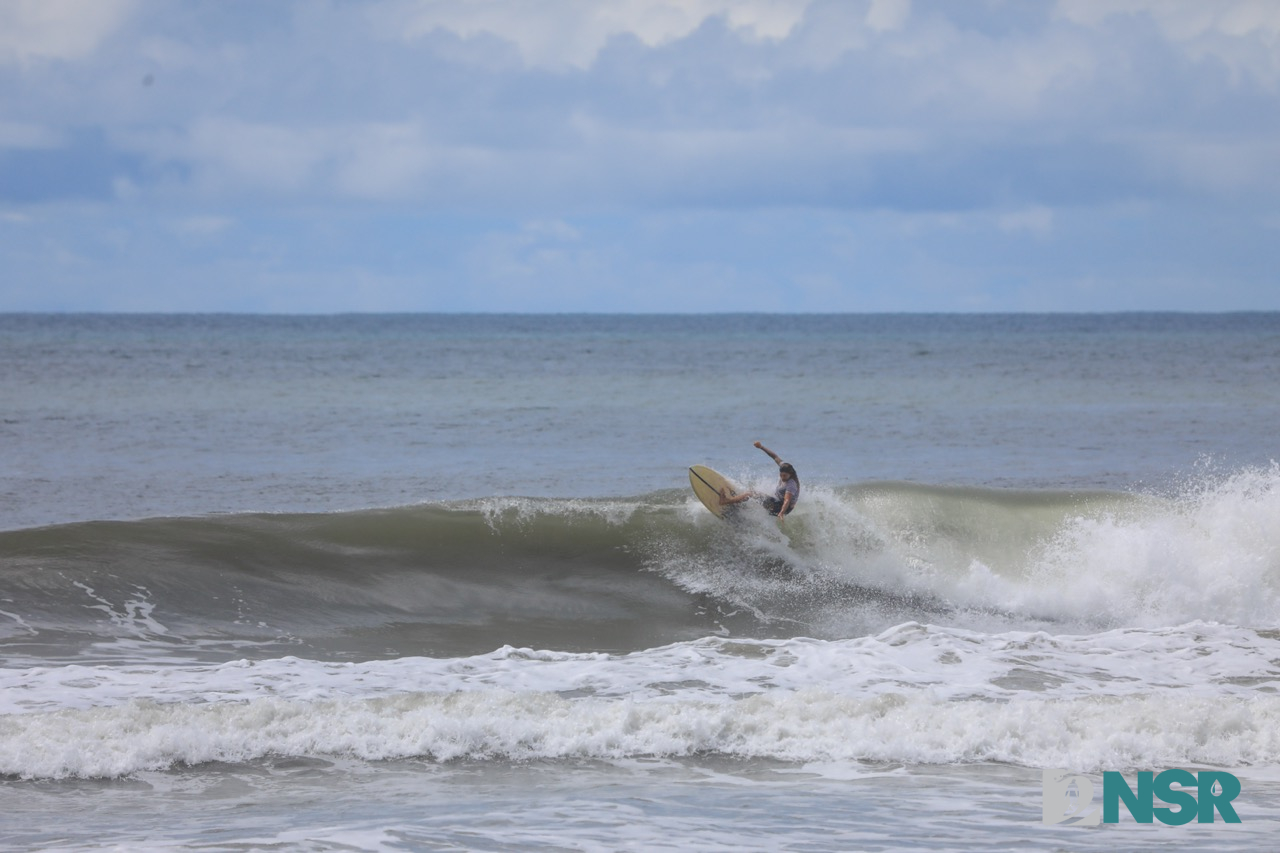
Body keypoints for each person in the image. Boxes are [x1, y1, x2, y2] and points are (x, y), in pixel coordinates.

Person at [719, 441, 800, 520]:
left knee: (751, 494)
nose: (782, 477)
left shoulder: (791, 485)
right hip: (777, 502)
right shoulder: (785, 467)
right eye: (781, 475)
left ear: (791, 474)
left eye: (785, 476)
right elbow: (775, 457)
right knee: (754, 494)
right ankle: (738, 504)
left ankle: (725, 501)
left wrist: (781, 513)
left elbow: (787, 500)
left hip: (780, 508)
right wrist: (761, 447)